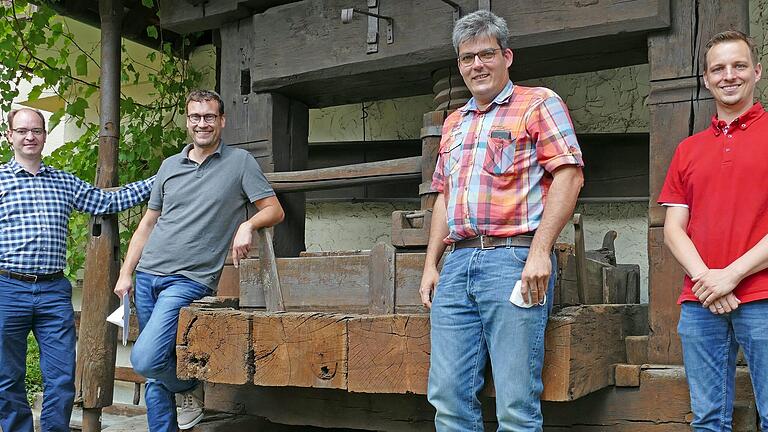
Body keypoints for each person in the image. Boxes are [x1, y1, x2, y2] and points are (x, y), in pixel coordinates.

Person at [418, 10, 584, 431]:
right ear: (459, 64)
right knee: (448, 398)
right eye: (468, 57)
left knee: (515, 404)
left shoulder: (538, 103)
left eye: (487, 54)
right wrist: (430, 265)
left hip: (513, 261)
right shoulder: (454, 123)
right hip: (456, 266)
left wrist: (540, 253)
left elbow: (570, 174)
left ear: (507, 56)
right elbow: (443, 195)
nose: (478, 65)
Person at [114, 89, 284, 431]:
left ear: (221, 121)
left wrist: (247, 225)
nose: (202, 123)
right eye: (195, 117)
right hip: (147, 275)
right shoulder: (169, 166)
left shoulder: (240, 163)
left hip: (187, 280)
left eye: (209, 117)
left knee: (146, 359)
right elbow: (149, 222)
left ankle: (189, 386)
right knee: (155, 367)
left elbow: (275, 210)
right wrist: (126, 272)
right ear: (187, 121)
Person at [0, 107, 155, 432]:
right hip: (7, 288)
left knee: (62, 377)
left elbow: (106, 201)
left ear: (44, 135)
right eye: (23, 131)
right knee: (6, 378)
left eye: (37, 131)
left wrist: (162, 180)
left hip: (53, 291)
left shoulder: (62, 182)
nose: (30, 137)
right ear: (10, 135)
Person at [660, 30, 768, 431]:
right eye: (718, 68)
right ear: (706, 79)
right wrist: (709, 280)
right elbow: (674, 228)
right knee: (707, 420)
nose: (729, 75)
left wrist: (731, 276)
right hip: (700, 301)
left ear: (756, 71)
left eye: (739, 66)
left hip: (762, 295)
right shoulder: (688, 148)